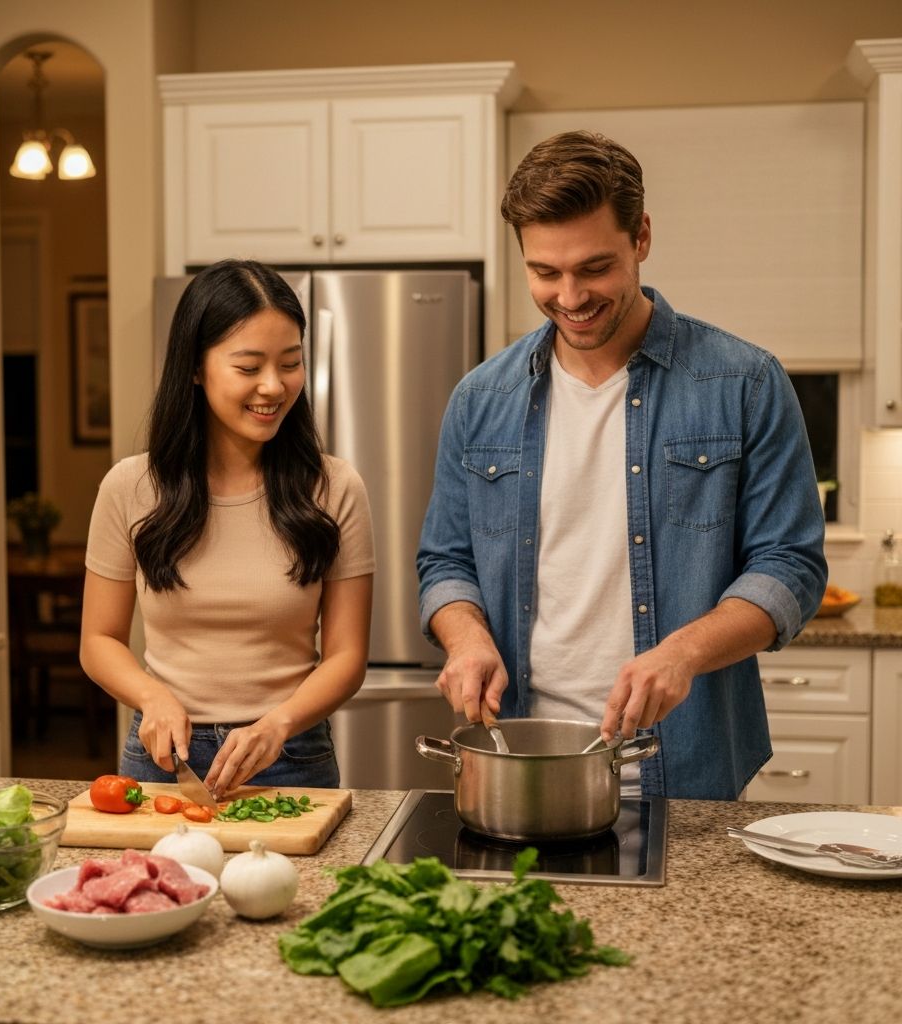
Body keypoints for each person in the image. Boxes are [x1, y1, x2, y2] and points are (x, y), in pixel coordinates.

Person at [416, 130, 827, 800]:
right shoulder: (480, 399)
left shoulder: (743, 382)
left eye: (594, 267)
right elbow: (446, 561)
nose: (570, 296)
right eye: (545, 272)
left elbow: (790, 566)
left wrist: (682, 654)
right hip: (526, 765)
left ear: (641, 237)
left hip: (687, 767)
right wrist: (465, 639)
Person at [81, 259, 375, 796]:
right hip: (164, 757)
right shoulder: (129, 487)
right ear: (195, 368)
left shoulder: (335, 488)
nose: (273, 386)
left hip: (292, 754)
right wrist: (152, 695)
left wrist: (279, 723)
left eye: (290, 363)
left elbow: (347, 656)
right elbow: (99, 640)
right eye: (248, 367)